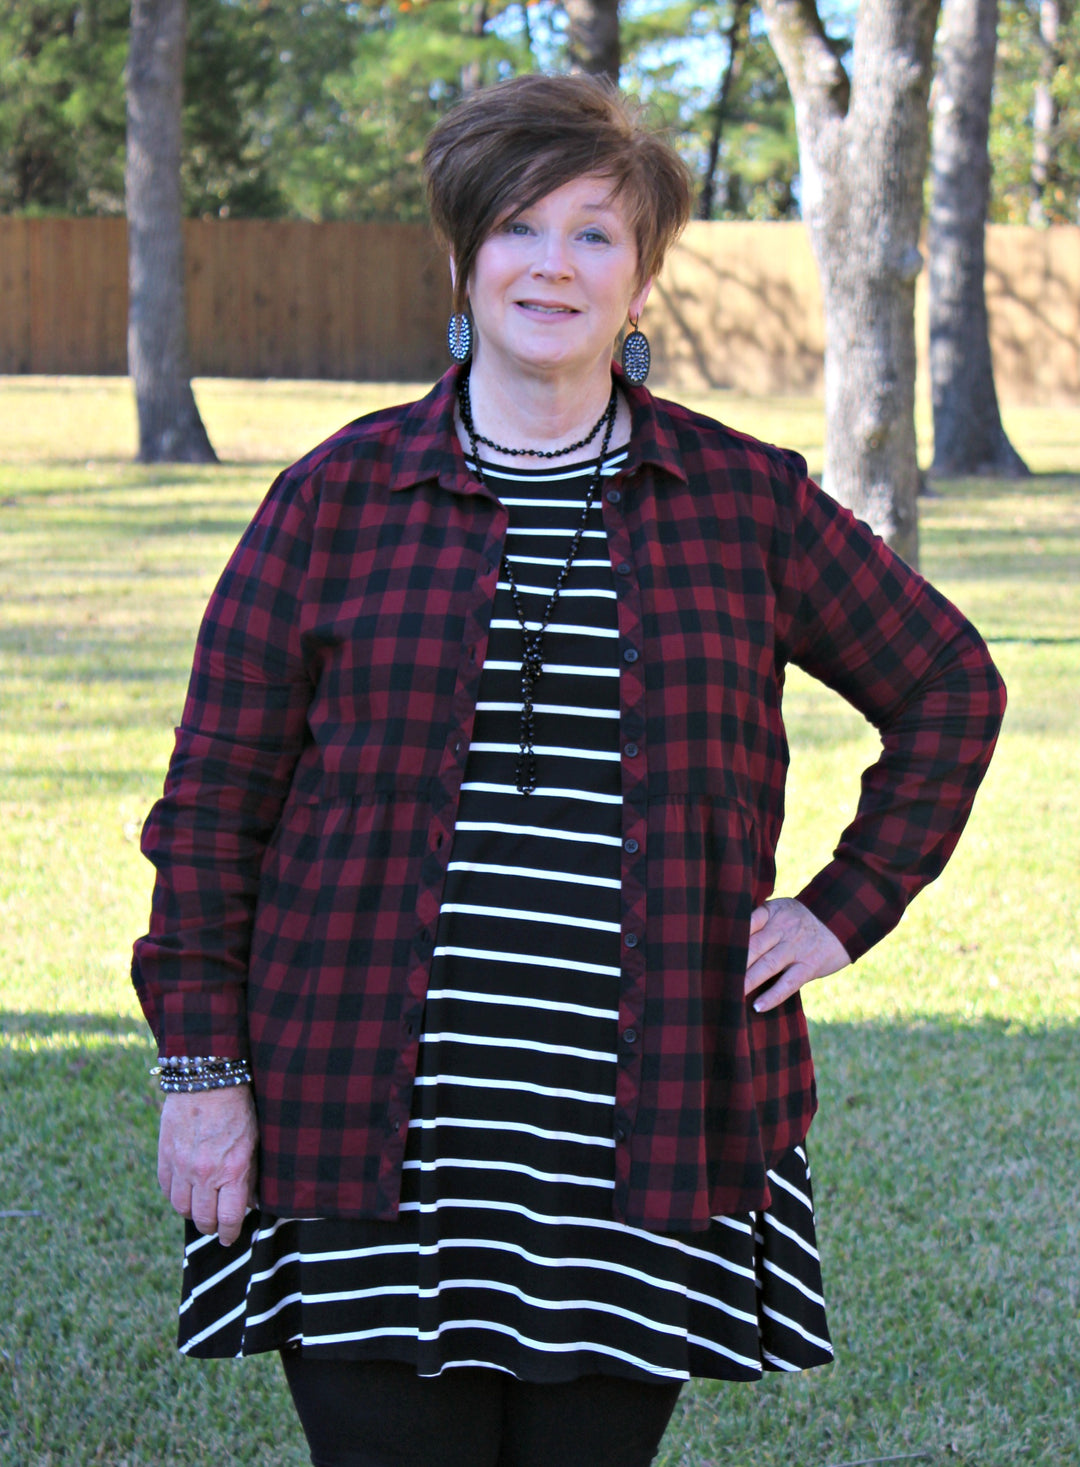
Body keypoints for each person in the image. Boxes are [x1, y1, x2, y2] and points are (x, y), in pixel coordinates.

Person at [133, 73, 1006, 1467]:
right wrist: (201, 1072)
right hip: (360, 1129)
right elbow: (214, 805)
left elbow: (951, 685)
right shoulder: (337, 498)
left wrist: (846, 908)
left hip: (637, 1141)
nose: (553, 264)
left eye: (596, 233)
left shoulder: (743, 501)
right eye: (519, 228)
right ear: (465, 256)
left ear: (643, 275)